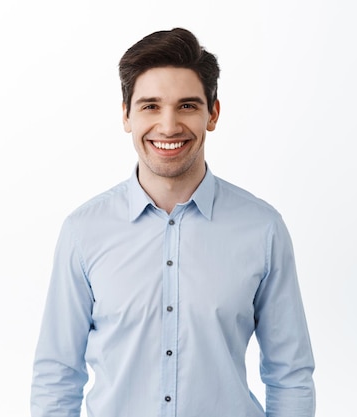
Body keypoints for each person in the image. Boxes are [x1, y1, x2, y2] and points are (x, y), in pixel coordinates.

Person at [30, 27, 315, 417]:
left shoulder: (263, 230)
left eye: (187, 106)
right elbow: (57, 374)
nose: (168, 126)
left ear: (212, 114)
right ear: (126, 115)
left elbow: (290, 375)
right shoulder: (84, 232)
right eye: (150, 106)